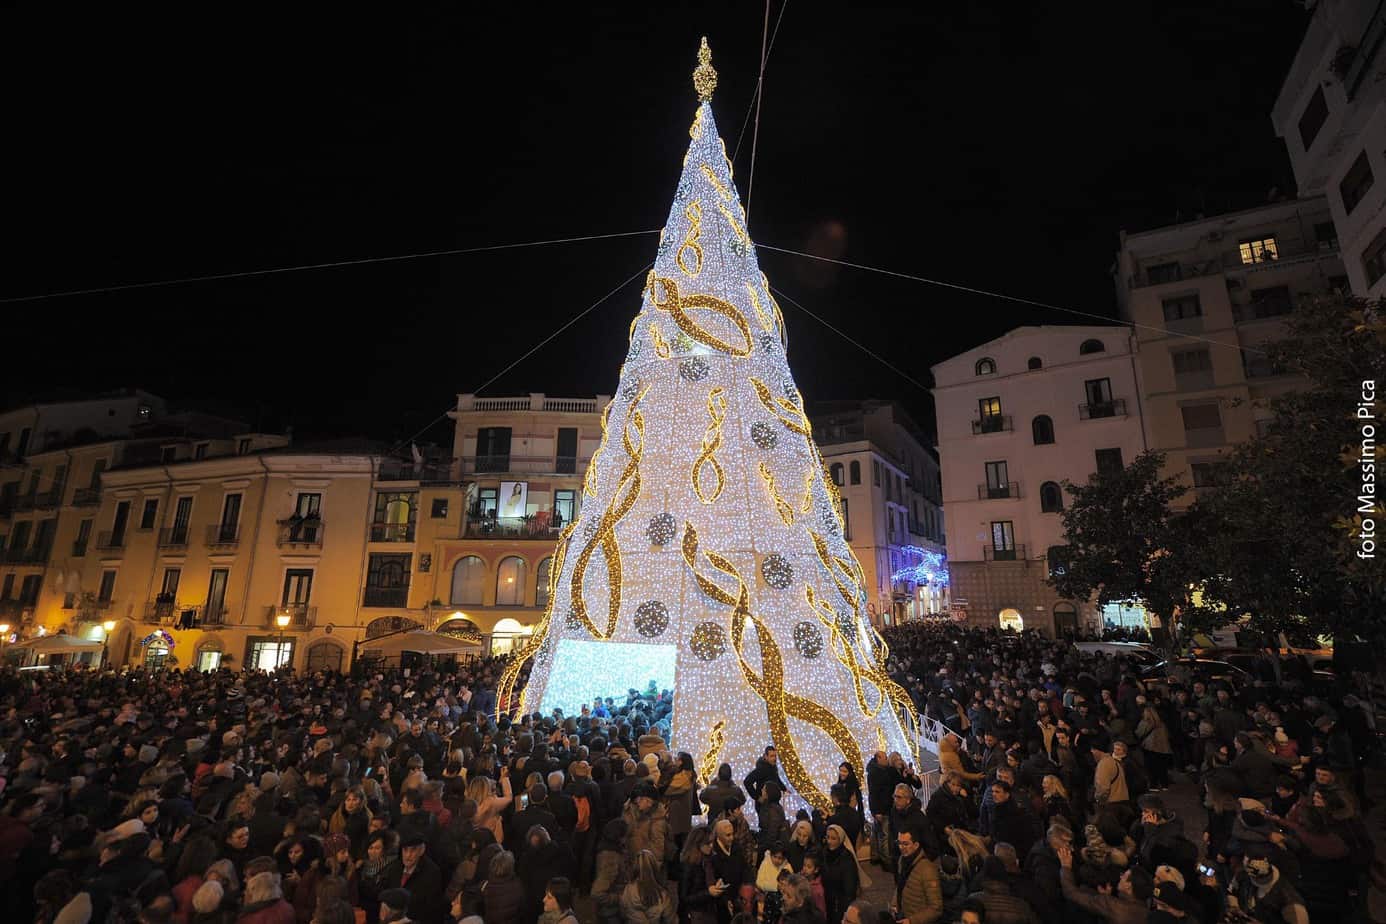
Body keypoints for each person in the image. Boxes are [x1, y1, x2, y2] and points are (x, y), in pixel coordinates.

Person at [892, 825, 941, 924]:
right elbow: (900, 886)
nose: (901, 847)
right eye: (899, 843)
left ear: (916, 845)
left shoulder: (927, 870)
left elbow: (936, 908)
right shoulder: (902, 860)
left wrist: (911, 921)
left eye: (905, 844)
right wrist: (894, 904)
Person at [620, 850, 676, 924]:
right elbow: (670, 920)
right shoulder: (662, 894)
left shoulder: (628, 890)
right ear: (654, 867)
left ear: (635, 866)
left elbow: (623, 913)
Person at [819, 825, 860, 924]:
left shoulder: (847, 858)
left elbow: (849, 889)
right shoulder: (824, 852)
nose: (829, 841)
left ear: (840, 839)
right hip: (826, 899)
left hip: (840, 903)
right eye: (827, 837)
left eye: (833, 838)